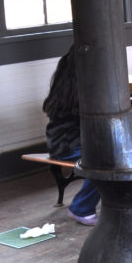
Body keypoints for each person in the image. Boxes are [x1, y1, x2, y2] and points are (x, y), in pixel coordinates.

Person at [43, 47, 99, 226]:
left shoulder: (66, 82)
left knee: (112, 155)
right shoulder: (81, 89)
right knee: (105, 162)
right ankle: (81, 208)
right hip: (68, 146)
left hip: (60, 143)